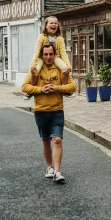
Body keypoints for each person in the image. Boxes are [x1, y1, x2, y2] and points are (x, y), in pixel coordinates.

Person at [21, 43, 76, 183]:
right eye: (45, 54)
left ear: (54, 55)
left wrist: (57, 88)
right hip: (40, 110)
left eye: (51, 54)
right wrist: (41, 90)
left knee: (57, 140)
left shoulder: (60, 68)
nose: (48, 57)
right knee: (45, 141)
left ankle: (57, 172)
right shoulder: (36, 69)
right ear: (42, 55)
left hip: (57, 110)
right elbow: (25, 87)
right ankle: (49, 167)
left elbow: (72, 87)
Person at [23, 16, 74, 99]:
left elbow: (63, 53)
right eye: (51, 23)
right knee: (36, 69)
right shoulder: (41, 37)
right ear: (46, 26)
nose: (53, 25)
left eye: (55, 23)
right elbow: (36, 51)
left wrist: (68, 65)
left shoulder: (60, 39)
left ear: (57, 26)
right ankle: (31, 91)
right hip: (41, 57)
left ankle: (64, 89)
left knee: (64, 68)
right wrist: (33, 64)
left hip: (55, 57)